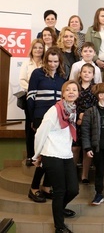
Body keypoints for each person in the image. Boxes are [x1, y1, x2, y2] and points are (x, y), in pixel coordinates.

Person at [32, 80, 80, 233]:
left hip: (65, 154)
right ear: (63, 93)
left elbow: (67, 134)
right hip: (51, 153)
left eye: (74, 90)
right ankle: (59, 226)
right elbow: (40, 133)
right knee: (60, 191)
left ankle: (60, 209)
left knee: (73, 189)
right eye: (68, 90)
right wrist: (36, 155)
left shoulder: (72, 109)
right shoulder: (55, 110)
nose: (71, 92)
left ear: (78, 94)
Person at [27, 47, 67, 204]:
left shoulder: (62, 76)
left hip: (57, 119)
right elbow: (30, 98)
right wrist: (32, 119)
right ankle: (34, 187)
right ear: (45, 60)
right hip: (40, 118)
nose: (52, 64)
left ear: (60, 61)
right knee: (44, 154)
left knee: (53, 154)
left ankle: (46, 186)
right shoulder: (37, 74)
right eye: (49, 61)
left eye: (55, 61)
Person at [20, 39, 44, 167]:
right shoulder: (26, 63)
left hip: (42, 99)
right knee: (30, 128)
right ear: (31, 49)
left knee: (41, 128)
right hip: (29, 98)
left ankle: (40, 155)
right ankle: (30, 155)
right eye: (35, 47)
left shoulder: (45, 63)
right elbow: (22, 80)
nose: (38, 50)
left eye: (40, 48)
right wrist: (33, 88)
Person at [73, 64, 98, 184]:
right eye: (84, 71)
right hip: (75, 122)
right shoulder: (75, 87)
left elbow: (96, 107)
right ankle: (71, 174)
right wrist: (78, 116)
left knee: (86, 149)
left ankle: (85, 175)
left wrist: (85, 118)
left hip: (90, 124)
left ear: (93, 75)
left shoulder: (95, 89)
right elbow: (72, 104)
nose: (86, 74)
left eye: (89, 72)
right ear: (80, 73)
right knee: (75, 148)